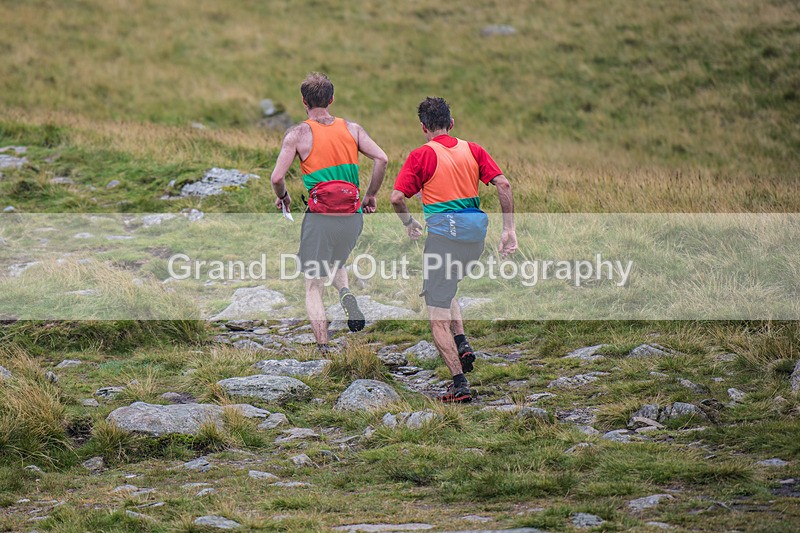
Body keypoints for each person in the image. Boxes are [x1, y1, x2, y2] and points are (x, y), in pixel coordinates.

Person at [391, 96, 517, 402]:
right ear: (452, 123)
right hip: (474, 240)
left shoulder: (421, 155)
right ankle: (462, 342)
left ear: (423, 128)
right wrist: (509, 230)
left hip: (442, 241)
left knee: (436, 315)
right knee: (448, 288)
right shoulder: (473, 149)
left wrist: (409, 222)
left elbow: (396, 197)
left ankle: (459, 384)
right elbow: (504, 185)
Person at [271, 72, 388, 354]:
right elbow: (382, 158)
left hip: (320, 217)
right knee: (336, 260)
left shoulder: (297, 134)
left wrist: (284, 197)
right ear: (332, 99)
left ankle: (323, 346)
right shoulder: (352, 129)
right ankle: (345, 292)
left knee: (313, 284)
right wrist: (370, 195)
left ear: (304, 101)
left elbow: (276, 178)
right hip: (352, 215)